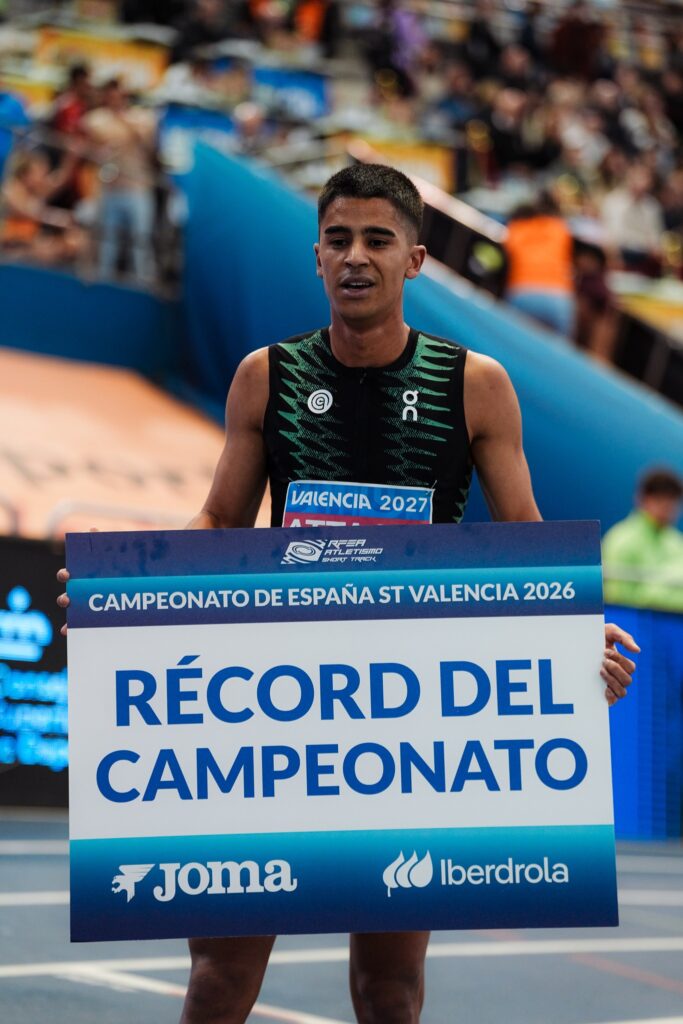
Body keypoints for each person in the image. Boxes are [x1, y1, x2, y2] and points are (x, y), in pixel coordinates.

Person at [58, 163, 639, 1023]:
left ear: (414, 259)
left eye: (377, 239)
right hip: (277, 711)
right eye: (337, 239)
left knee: (388, 988)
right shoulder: (266, 374)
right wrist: (129, 594)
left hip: (406, 717)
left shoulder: (474, 383)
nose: (355, 256)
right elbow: (220, 518)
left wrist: (572, 636)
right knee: (219, 976)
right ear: (317, 257)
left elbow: (523, 533)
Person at [81, 78, 159, 284]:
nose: (115, 98)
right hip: (109, 189)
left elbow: (151, 148)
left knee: (141, 243)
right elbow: (88, 152)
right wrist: (100, 152)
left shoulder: (143, 118)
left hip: (138, 188)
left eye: (120, 94)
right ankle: (103, 285)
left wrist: (124, 121)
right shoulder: (95, 119)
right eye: (111, 94)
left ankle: (143, 287)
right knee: (108, 244)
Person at [603, 468, 683, 613]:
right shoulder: (621, 540)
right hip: (631, 624)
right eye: (660, 500)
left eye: (672, 502)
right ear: (642, 499)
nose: (667, 508)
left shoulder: (677, 542)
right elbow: (617, 600)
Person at [504, 194, 575, 337]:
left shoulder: (516, 229)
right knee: (558, 348)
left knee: (513, 341)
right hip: (558, 298)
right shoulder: (560, 228)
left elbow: (506, 257)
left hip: (522, 292)